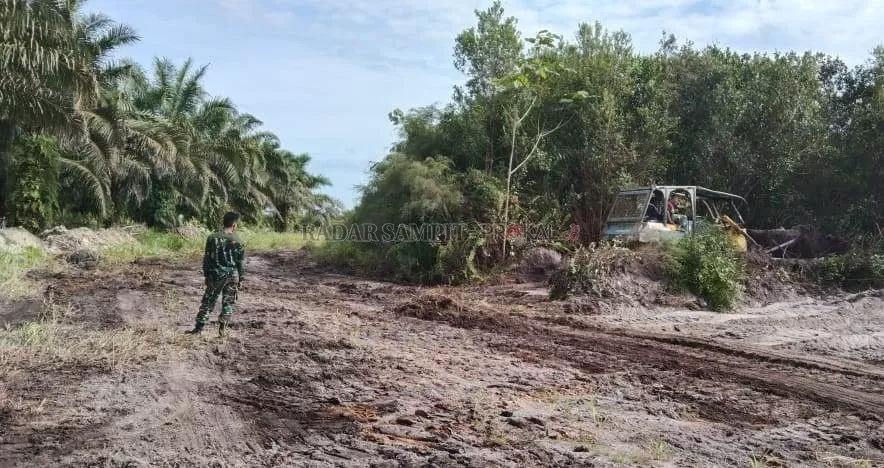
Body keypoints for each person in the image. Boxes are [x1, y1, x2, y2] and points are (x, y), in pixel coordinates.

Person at [186, 211, 245, 336]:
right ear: (234, 225)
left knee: (208, 301)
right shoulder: (239, 241)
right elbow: (240, 263)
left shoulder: (213, 238)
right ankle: (222, 330)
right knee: (228, 302)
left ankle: (198, 329)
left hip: (216, 275)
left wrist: (207, 276)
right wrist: (241, 279)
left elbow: (207, 259)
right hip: (233, 275)